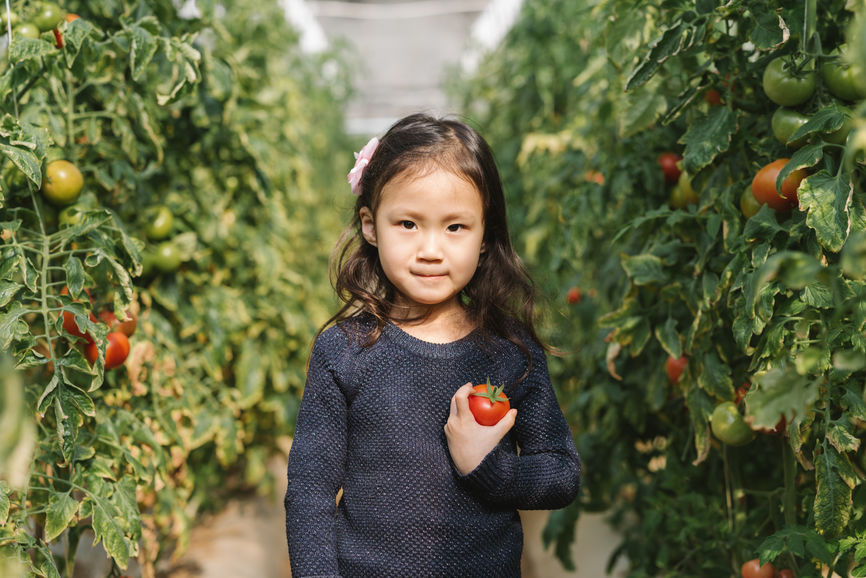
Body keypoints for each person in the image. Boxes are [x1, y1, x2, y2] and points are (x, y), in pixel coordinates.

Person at [284, 113, 580, 577]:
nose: (430, 249)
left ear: (484, 237)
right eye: (407, 223)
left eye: (455, 227)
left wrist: (488, 469)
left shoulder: (508, 350)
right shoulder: (344, 351)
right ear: (369, 225)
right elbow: (310, 490)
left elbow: (562, 474)